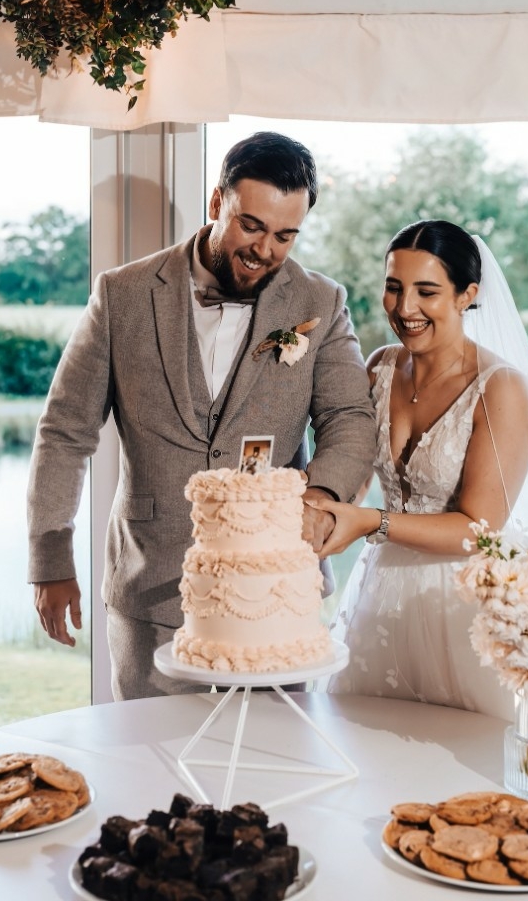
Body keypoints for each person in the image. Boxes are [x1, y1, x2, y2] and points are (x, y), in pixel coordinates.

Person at [26, 131, 376, 700]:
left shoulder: (321, 302)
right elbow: (65, 434)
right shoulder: (122, 294)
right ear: (217, 205)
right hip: (151, 580)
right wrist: (50, 559)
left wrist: (318, 501)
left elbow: (351, 418)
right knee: (151, 765)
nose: (266, 250)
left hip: (273, 588)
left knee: (274, 761)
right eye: (251, 226)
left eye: (286, 235)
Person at [309, 219, 528, 719]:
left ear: (467, 295)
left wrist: (373, 522)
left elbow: (480, 529)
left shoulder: (501, 389)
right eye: (393, 288)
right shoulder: (380, 367)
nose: (404, 308)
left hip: (466, 604)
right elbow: (356, 477)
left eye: (427, 292)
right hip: (381, 594)